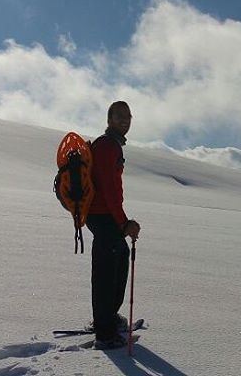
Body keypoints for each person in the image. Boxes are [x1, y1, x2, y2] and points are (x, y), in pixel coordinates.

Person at [86, 101, 141, 349]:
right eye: (119, 116)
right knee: (107, 271)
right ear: (109, 119)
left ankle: (107, 318)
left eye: (127, 117)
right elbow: (109, 189)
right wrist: (123, 222)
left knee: (117, 258)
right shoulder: (108, 147)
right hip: (103, 215)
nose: (125, 121)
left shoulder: (109, 145)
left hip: (101, 215)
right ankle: (105, 331)